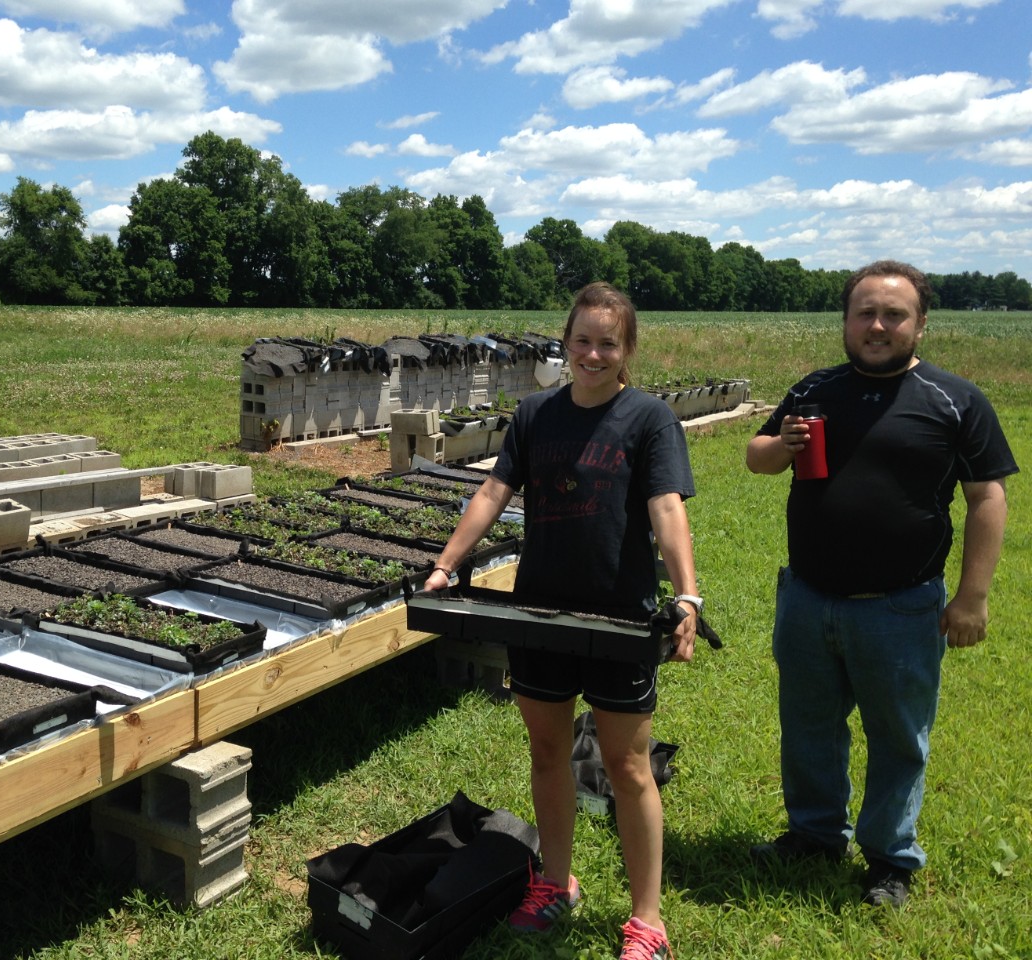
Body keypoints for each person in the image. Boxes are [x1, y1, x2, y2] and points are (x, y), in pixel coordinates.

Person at [423, 281, 700, 960]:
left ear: (627, 349)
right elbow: (493, 490)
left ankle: (647, 920)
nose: (594, 353)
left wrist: (688, 594)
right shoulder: (537, 414)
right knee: (547, 753)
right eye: (583, 340)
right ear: (565, 342)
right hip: (540, 610)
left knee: (626, 766)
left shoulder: (647, 419)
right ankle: (554, 883)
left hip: (619, 618)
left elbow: (666, 508)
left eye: (608, 342)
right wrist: (446, 563)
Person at [745, 259, 1017, 908]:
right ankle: (815, 834)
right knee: (809, 726)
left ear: (920, 325)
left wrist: (972, 597)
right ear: (845, 321)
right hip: (808, 599)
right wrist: (782, 443)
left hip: (900, 606)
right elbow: (757, 459)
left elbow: (988, 499)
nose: (877, 325)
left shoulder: (956, 400)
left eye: (893, 314)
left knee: (898, 736)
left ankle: (891, 857)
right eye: (865, 312)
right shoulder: (814, 388)